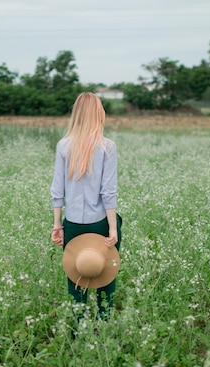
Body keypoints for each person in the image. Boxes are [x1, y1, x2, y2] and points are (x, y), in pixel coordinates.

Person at [50, 92, 122, 320]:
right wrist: (112, 228)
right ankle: (104, 325)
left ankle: (78, 326)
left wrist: (57, 225)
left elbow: (57, 190)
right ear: (98, 114)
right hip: (100, 222)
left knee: (76, 277)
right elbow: (108, 192)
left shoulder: (64, 145)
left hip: (72, 223)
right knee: (106, 276)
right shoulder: (107, 147)